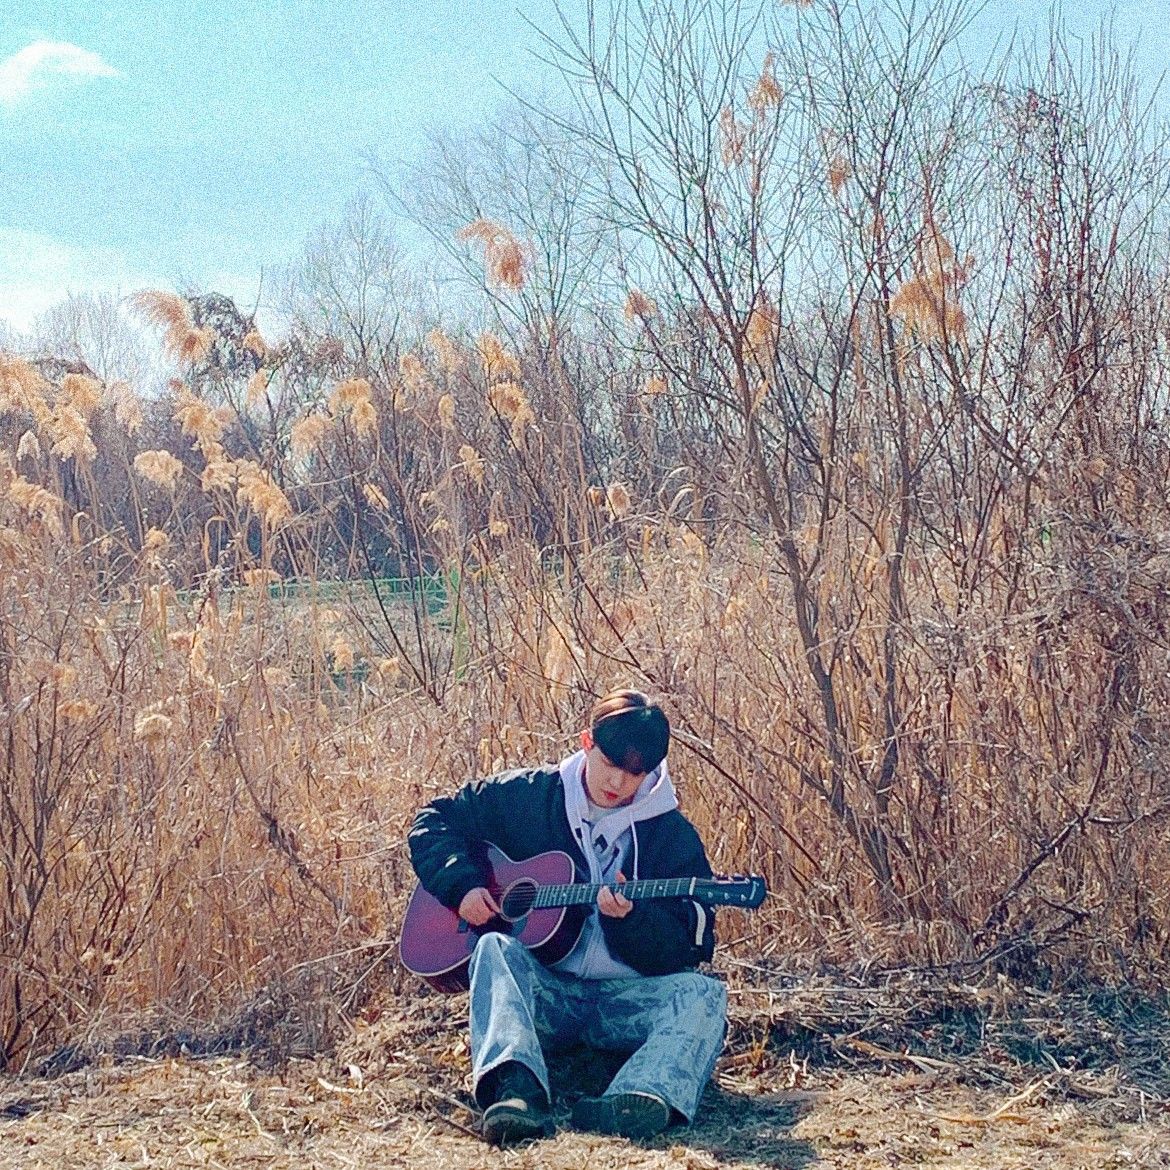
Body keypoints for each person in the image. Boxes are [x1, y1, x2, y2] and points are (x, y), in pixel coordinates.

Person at [407, 689, 727, 1145]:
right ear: (586, 743)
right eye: (611, 763)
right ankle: (516, 1093)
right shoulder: (528, 797)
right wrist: (463, 886)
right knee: (495, 947)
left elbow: (687, 948)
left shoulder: (672, 836)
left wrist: (630, 921)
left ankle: (639, 1097)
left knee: (703, 994)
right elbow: (434, 820)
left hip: (626, 1002)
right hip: (545, 996)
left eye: (636, 773)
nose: (619, 781)